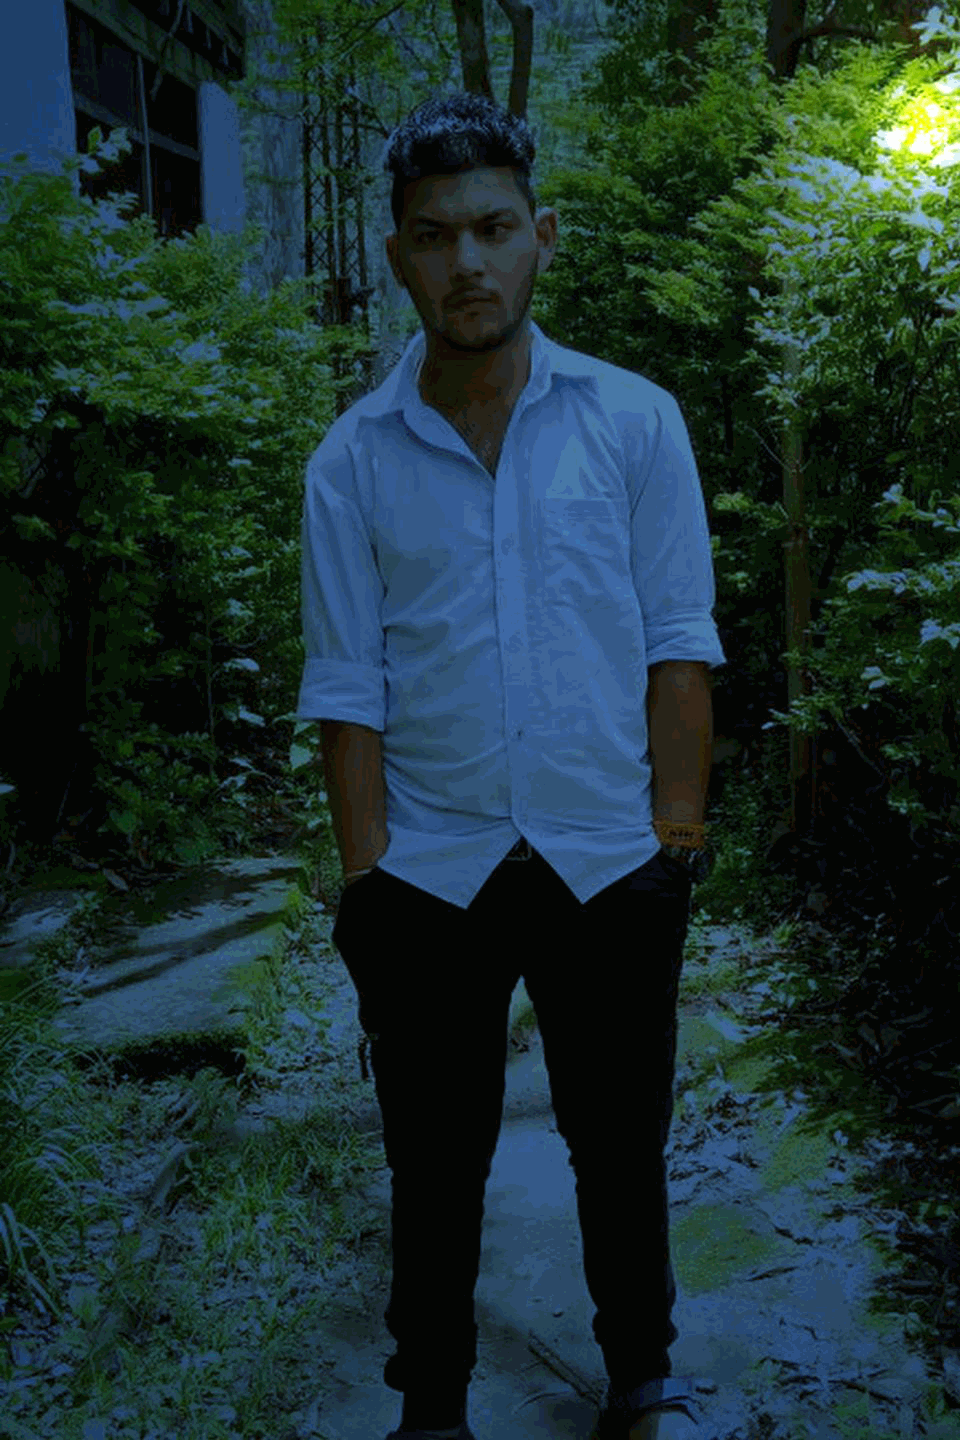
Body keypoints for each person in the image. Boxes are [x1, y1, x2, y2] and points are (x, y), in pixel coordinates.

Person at [296, 92, 725, 1440]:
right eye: (434, 237)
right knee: (433, 1158)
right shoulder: (353, 462)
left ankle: (641, 1374)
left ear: (542, 235)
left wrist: (675, 841)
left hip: (610, 859)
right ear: (398, 256)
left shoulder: (634, 423)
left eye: (492, 228)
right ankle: (430, 1404)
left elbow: (678, 642)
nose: (466, 262)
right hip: (430, 869)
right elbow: (347, 689)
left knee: (620, 1144)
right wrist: (367, 880)